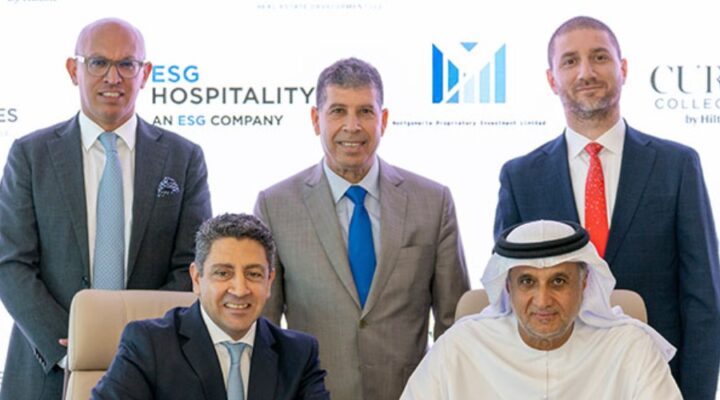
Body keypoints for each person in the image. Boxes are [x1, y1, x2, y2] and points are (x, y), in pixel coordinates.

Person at [493, 15, 720, 399]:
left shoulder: (677, 166)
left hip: (655, 382)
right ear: (551, 79)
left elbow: (703, 299)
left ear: (623, 68)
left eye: (599, 57)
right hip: (552, 385)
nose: (586, 72)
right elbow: (507, 300)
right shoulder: (520, 177)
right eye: (570, 61)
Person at [0, 18, 212, 400]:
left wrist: (141, 343)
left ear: (145, 73)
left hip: (151, 373)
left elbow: (192, 267)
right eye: (98, 62)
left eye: (126, 64)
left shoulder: (183, 159)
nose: (113, 77)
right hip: (46, 370)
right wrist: (73, 343)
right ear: (73, 70)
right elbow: (11, 263)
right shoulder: (30, 156)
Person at [254, 57, 469, 400]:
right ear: (316, 120)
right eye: (338, 111)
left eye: (365, 112)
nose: (352, 126)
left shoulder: (433, 202)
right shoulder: (276, 206)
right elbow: (262, 330)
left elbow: (453, 324)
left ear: (383, 120)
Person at [401, 220, 681, 399]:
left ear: (584, 283)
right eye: (527, 282)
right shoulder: (460, 347)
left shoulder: (630, 347)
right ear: (508, 287)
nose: (543, 301)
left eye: (558, 281)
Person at [91, 213, 329, 399]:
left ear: (269, 281)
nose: (240, 289)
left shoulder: (298, 354)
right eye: (223, 273)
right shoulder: (149, 345)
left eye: (254, 274)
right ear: (196, 278)